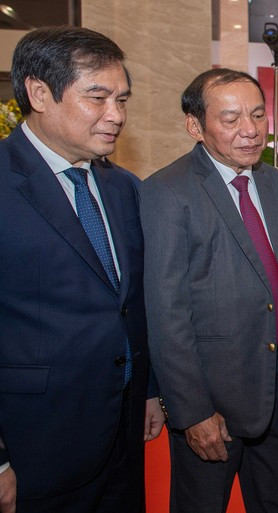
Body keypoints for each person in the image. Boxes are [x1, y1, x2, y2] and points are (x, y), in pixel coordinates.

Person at [0, 27, 162, 513]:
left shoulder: (124, 188)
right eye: (98, 97)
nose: (117, 116)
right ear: (39, 93)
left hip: (123, 433)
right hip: (35, 446)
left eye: (122, 99)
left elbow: (131, 304)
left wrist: (149, 390)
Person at [141, 68, 278, 513]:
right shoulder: (166, 191)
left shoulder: (277, 184)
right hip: (212, 396)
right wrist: (192, 410)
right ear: (195, 126)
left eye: (258, 115)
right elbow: (166, 312)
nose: (251, 131)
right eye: (232, 118)